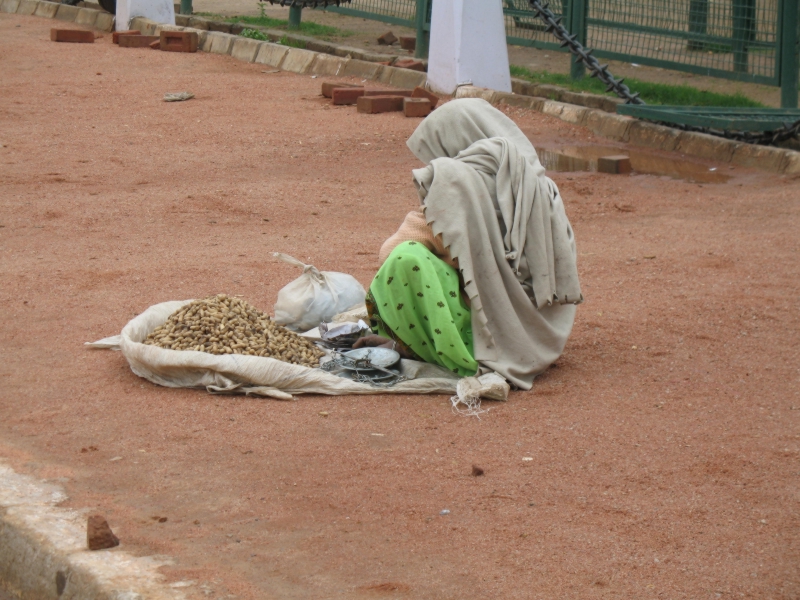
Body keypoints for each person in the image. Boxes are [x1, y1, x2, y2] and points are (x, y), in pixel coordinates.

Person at [354, 98, 582, 390]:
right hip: (539, 338)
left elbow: (392, 251)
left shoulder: (461, 182)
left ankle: (447, 351)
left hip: (486, 338)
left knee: (405, 260)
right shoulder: (539, 187)